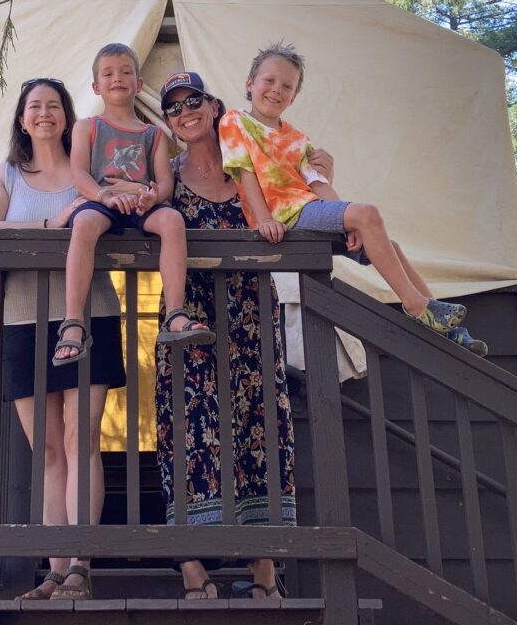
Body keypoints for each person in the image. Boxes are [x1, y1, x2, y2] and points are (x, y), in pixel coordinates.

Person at [153, 71, 314, 601]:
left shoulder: (251, 164)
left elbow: (303, 189)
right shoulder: (169, 176)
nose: (184, 112)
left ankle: (265, 566)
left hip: (251, 315)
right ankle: (192, 566)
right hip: (190, 318)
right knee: (189, 426)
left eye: (193, 100)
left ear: (216, 104)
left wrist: (327, 179)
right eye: (173, 107)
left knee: (261, 424)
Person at [219, 42, 487, 355]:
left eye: (287, 86)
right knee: (368, 213)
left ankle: (449, 330)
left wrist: (350, 223)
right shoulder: (235, 120)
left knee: (388, 244)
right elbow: (244, 171)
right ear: (250, 84)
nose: (277, 89)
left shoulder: (297, 138)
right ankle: (416, 306)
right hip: (284, 216)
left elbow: (317, 184)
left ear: (293, 97)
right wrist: (264, 219)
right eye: (269, 80)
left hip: (309, 208)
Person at [0, 77, 126, 600]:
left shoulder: (90, 171)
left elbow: (122, 203)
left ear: (67, 117)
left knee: (81, 438)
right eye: (34, 106)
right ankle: (56, 569)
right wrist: (51, 222)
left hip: (91, 315)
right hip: (21, 319)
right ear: (22, 118)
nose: (44, 114)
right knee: (46, 449)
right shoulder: (7, 175)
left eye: (54, 106)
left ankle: (82, 563)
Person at [53, 44, 215, 367]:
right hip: (102, 201)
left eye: (126, 72)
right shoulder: (88, 127)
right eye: (108, 73)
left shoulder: (153, 133)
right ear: (96, 86)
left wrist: (153, 197)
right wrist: (103, 196)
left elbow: (165, 181)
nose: (118, 78)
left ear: (139, 84)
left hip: (142, 204)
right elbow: (78, 174)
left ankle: (176, 314)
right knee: (83, 225)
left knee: (172, 221)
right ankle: (73, 322)